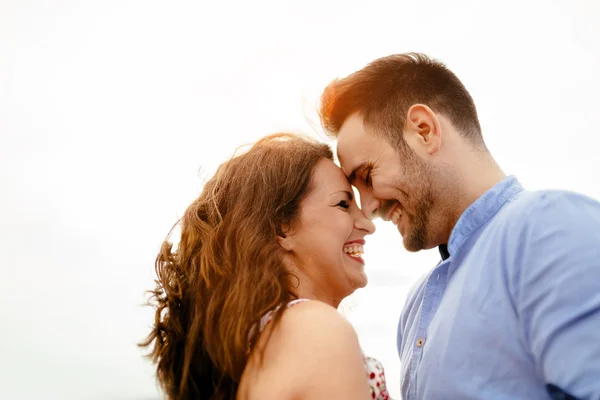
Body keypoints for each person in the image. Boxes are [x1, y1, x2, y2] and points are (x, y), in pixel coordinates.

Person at [318, 52, 600, 399]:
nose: (370, 207)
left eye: (367, 175)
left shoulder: (550, 228)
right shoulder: (415, 308)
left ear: (424, 130)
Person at [139, 133, 391, 400]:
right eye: (342, 204)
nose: (368, 223)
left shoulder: (257, 349)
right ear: (281, 227)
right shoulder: (314, 331)